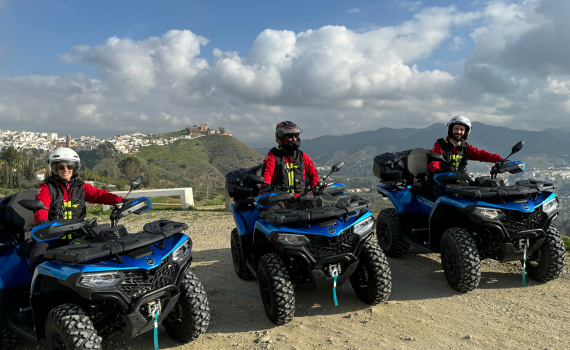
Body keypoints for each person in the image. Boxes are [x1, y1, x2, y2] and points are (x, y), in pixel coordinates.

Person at [29, 147, 125, 275]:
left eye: (69, 166)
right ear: (55, 168)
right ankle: (35, 293)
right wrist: (41, 221)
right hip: (53, 235)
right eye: (61, 167)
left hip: (79, 233)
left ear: (74, 168)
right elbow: (41, 204)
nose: (65, 170)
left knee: (110, 250)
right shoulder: (47, 187)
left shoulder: (81, 186)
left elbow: (98, 194)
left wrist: (120, 200)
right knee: (37, 259)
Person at [261, 121, 319, 208]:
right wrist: (265, 185)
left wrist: (314, 189)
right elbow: (267, 173)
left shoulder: (302, 156)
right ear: (281, 137)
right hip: (279, 199)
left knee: (318, 209)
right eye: (291, 136)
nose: (294, 139)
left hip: (300, 197)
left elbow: (313, 174)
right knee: (271, 213)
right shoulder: (273, 155)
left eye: (296, 136)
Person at [428, 116, 503, 174]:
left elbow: (482, 154)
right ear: (451, 130)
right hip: (440, 181)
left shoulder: (466, 148)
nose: (459, 131)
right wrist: (438, 171)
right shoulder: (440, 145)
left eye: (462, 129)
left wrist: (501, 160)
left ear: (465, 132)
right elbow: (433, 162)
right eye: (456, 129)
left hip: (459, 181)